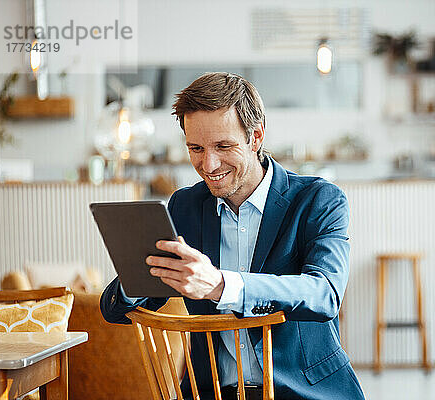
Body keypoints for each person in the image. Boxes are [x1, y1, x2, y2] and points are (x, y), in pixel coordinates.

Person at [100, 72, 365, 400]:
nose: (208, 164)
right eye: (195, 148)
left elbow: (325, 294)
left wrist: (220, 285)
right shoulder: (185, 206)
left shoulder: (318, 200)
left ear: (256, 138)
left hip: (306, 392)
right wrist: (139, 270)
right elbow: (114, 310)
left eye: (223, 146)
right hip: (212, 392)